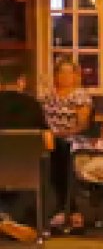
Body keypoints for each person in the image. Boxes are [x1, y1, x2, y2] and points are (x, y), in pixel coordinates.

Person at [0, 62, 53, 243]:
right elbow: (49, 143)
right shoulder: (33, 105)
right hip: (28, 173)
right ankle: (25, 223)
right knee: (45, 171)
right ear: (21, 81)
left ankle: (4, 220)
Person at [42, 57, 92, 231]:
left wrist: (62, 133)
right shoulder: (48, 95)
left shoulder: (80, 95)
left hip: (71, 138)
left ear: (76, 76)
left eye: (68, 72)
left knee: (60, 150)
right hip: (48, 138)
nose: (64, 76)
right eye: (60, 72)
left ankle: (66, 209)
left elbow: (83, 125)